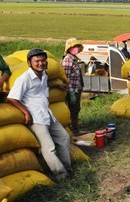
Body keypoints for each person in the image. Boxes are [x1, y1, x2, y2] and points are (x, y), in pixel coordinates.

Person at [7, 48, 72, 180]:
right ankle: (62, 175)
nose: (40, 63)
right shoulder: (24, 79)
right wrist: (26, 113)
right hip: (36, 118)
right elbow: (12, 98)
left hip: (47, 114)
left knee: (64, 138)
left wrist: (57, 84)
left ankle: (68, 168)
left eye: (43, 61)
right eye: (37, 61)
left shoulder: (43, 75)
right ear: (29, 63)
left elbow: (43, 85)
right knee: (49, 148)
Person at [62, 38, 84, 134]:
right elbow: (66, 78)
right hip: (72, 90)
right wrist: (70, 92)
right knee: (72, 110)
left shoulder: (74, 59)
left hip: (77, 89)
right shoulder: (67, 60)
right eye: (74, 47)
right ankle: (73, 131)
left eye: (77, 46)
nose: (77, 48)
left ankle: (76, 129)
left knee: (76, 109)